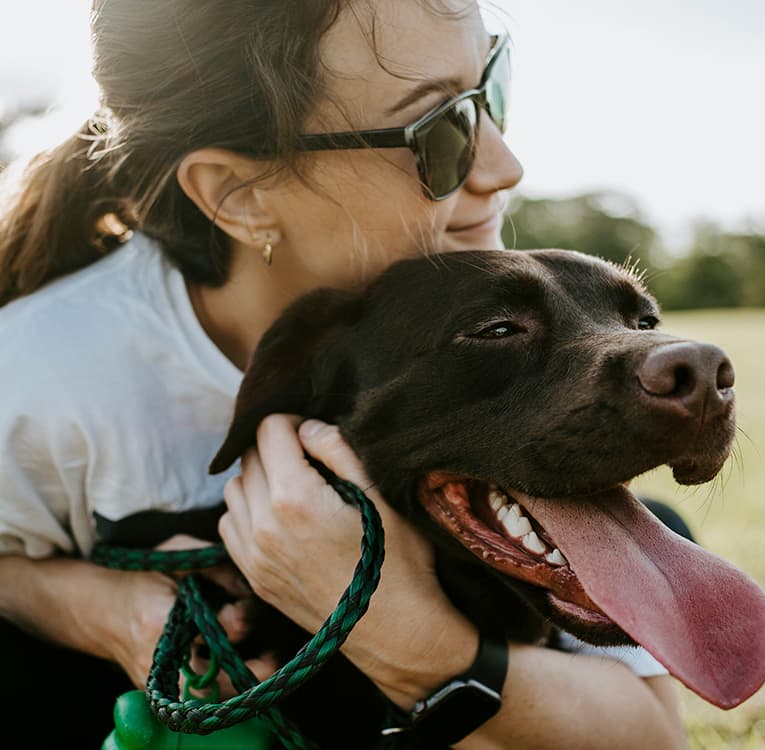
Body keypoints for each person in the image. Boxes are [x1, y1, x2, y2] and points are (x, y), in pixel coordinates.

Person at [0, 1, 689, 747]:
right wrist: (109, 611)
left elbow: (651, 738)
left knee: (658, 526)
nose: (504, 165)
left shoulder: (485, 282)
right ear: (240, 193)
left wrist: (402, 629)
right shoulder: (40, 373)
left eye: (493, 86)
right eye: (440, 131)